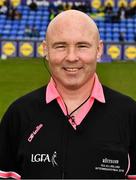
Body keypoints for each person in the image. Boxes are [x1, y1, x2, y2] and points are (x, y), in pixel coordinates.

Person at [0, 10, 136, 179]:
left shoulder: (129, 114)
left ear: (99, 50)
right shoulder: (19, 115)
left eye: (82, 46)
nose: (71, 57)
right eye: (61, 46)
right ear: (45, 50)